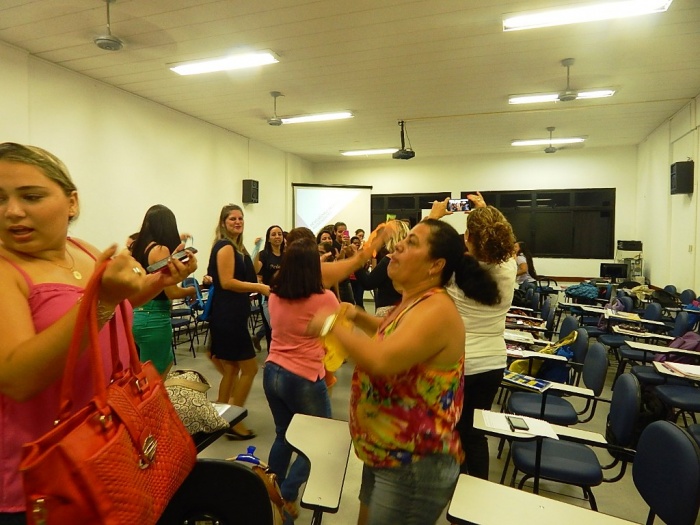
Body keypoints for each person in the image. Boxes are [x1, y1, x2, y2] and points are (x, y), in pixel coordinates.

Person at [0, 142, 196, 523]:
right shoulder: (7, 270)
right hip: (46, 477)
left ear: (71, 202)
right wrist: (101, 299)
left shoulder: (84, 251)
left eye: (31, 196)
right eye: (0, 198)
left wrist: (159, 281)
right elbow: (17, 379)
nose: (12, 211)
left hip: (103, 445)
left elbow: (122, 302)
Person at [308, 219, 500, 525]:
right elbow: (392, 335)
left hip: (413, 464)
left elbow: (381, 360)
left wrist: (330, 325)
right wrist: (357, 316)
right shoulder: (415, 301)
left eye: (411, 243)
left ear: (435, 265)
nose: (397, 246)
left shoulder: (437, 310)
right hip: (386, 453)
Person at [429, 193, 517, 480]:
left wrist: (433, 218)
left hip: (460, 364)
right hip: (493, 362)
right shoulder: (509, 267)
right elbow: (498, 238)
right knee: (475, 433)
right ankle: (476, 492)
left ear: (467, 238)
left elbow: (418, 253)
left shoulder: (457, 271)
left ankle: (457, 486)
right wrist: (485, 210)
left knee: (452, 429)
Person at [264, 236, 339, 522]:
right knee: (320, 442)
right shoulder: (325, 298)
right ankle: (287, 494)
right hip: (304, 376)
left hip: (273, 372)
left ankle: (271, 494)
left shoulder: (274, 295)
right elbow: (334, 331)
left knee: (284, 435)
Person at [207, 203, 269, 439]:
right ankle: (234, 420)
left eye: (240, 218)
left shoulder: (236, 247)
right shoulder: (225, 247)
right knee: (250, 368)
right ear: (223, 223)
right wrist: (260, 288)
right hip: (228, 316)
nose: (237, 222)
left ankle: (220, 417)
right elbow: (227, 282)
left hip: (231, 315)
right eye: (232, 218)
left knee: (231, 369)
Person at [130, 204, 196, 379]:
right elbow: (171, 292)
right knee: (156, 376)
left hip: (136, 315)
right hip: (154, 317)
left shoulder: (138, 247)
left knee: (142, 372)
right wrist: (191, 290)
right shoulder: (160, 250)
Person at [354, 220, 408, 317]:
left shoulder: (390, 260)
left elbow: (368, 283)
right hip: (406, 308)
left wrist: (356, 264)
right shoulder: (411, 259)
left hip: (388, 309)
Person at [252, 224, 285, 349]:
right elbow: (255, 269)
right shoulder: (264, 254)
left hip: (284, 296)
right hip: (268, 298)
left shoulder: (286, 254)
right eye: (273, 234)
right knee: (273, 329)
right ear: (269, 239)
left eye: (279, 234)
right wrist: (256, 248)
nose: (277, 237)